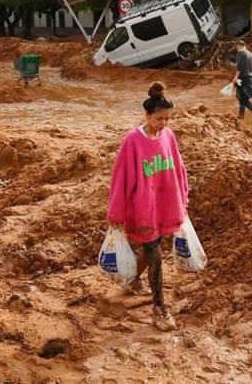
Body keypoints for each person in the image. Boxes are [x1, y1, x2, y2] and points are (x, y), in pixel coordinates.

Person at [106, 82, 189, 332]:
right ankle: (159, 308)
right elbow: (120, 177)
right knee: (156, 254)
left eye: (167, 119)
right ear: (146, 115)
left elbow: (178, 167)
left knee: (152, 246)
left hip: (164, 204)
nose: (163, 124)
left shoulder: (168, 136)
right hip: (142, 207)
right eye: (159, 119)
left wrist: (183, 196)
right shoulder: (133, 140)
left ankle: (131, 281)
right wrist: (116, 213)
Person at [232, 40, 252, 122]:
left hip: (243, 79)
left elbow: (239, 67)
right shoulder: (249, 53)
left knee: (241, 98)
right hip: (250, 78)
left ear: (238, 46)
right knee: (243, 98)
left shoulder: (240, 53)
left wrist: (235, 77)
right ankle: (242, 117)